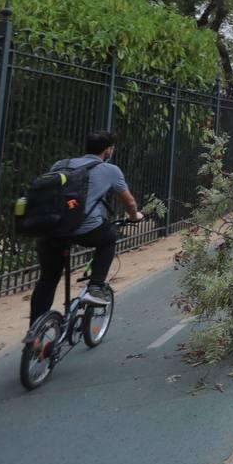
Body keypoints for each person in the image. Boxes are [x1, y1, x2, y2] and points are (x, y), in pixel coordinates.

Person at [28, 131, 143, 323]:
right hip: (84, 230)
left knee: (48, 280)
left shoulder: (60, 164)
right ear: (108, 150)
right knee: (109, 237)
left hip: (51, 230)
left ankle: (35, 334)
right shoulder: (111, 170)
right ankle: (95, 286)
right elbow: (129, 203)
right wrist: (135, 216)